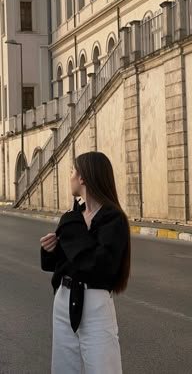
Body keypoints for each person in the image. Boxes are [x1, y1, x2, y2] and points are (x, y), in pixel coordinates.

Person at [40, 151, 131, 374]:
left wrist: (71, 225)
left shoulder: (112, 218)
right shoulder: (75, 215)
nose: (69, 176)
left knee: (103, 367)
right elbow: (62, 263)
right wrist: (50, 251)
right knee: (64, 367)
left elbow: (98, 267)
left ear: (82, 177)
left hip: (94, 303)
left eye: (72, 171)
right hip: (63, 299)